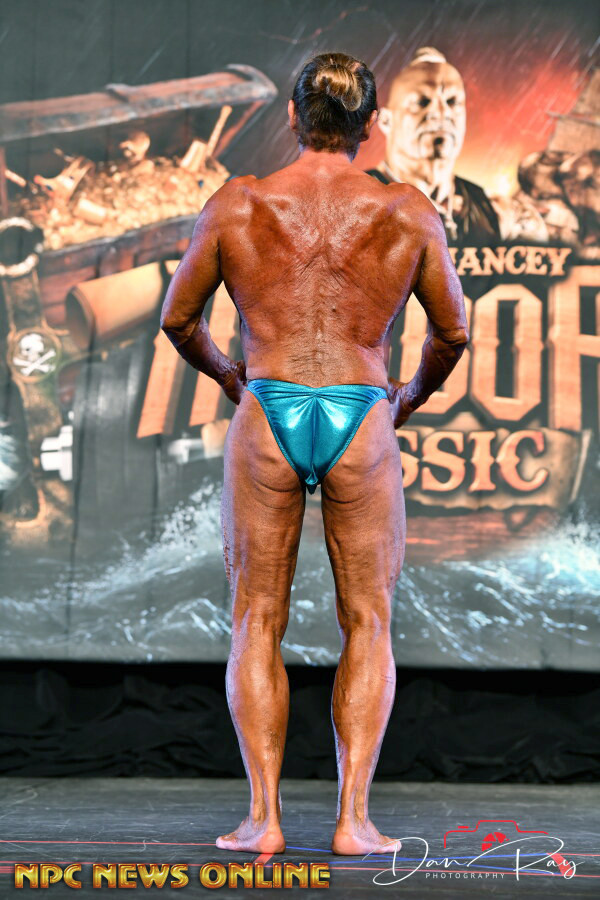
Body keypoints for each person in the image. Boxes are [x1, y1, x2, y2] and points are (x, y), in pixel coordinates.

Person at [160, 51, 469, 856]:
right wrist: (407, 397)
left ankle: (262, 820)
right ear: (370, 127)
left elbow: (177, 318)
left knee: (255, 618)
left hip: (268, 407)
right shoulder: (407, 211)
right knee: (368, 619)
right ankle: (353, 823)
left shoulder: (239, 203)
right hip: (361, 413)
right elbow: (453, 331)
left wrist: (232, 377)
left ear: (294, 116)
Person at [366, 47, 501, 243]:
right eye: (422, 102)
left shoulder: (480, 202)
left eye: (452, 101)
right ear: (386, 120)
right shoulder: (360, 198)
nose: (441, 113)